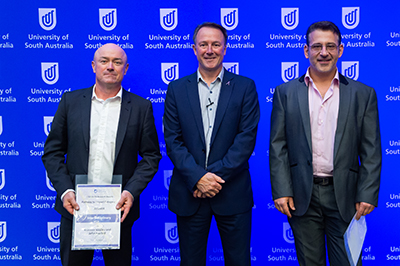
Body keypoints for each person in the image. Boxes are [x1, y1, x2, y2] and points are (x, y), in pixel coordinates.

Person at [269, 21, 381, 266]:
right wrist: (282, 190)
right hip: (301, 195)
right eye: (317, 46)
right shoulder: (284, 93)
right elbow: (278, 146)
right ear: (306, 51)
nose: (324, 52)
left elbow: (371, 150)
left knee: (349, 263)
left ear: (340, 50)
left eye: (330, 46)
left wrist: (367, 192)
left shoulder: (363, 94)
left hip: (346, 196)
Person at [42, 43, 161, 266]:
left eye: (117, 62)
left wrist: (131, 192)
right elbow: (52, 152)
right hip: (75, 207)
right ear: (93, 66)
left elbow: (151, 156)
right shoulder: (70, 102)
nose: (110, 67)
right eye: (104, 61)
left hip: (118, 209)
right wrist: (66, 190)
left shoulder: (141, 107)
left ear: (125, 69)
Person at [163, 22, 260, 266]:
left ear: (225, 49)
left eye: (216, 44)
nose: (210, 50)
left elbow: (246, 139)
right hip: (190, 194)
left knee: (239, 262)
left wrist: (209, 179)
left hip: (232, 193)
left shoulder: (245, 87)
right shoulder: (176, 89)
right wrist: (197, 178)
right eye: (203, 44)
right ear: (194, 49)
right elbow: (173, 141)